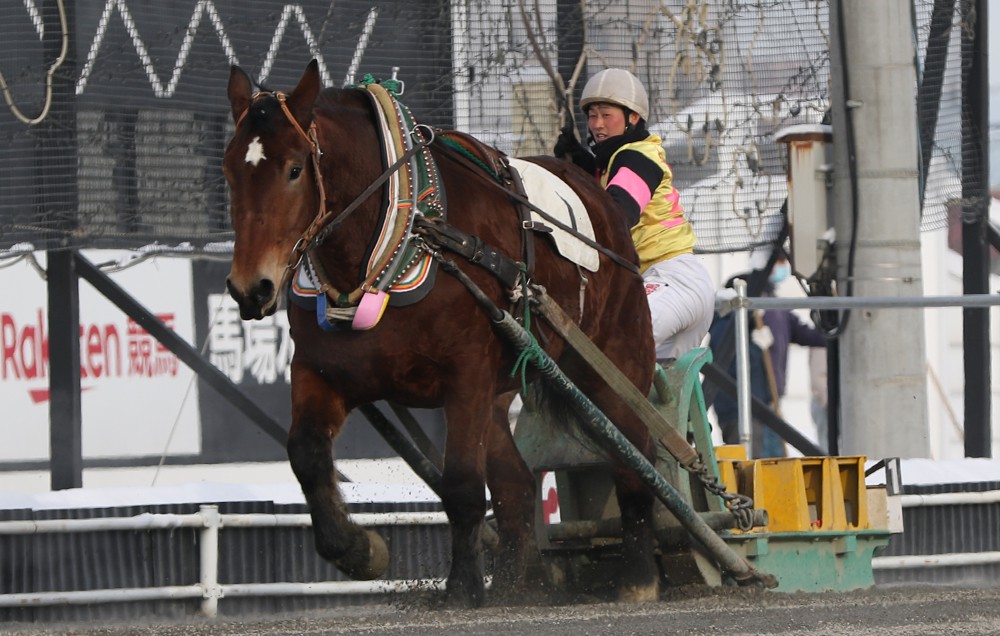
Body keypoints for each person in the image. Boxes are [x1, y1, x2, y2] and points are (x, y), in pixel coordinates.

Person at [555, 68, 715, 362]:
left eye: (606, 114)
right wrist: (579, 163)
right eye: (592, 115)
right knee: (645, 397)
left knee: (606, 352)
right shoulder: (618, 161)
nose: (597, 124)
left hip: (672, 280)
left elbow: (617, 214)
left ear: (633, 117)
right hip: (669, 283)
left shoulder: (637, 155)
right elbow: (610, 188)